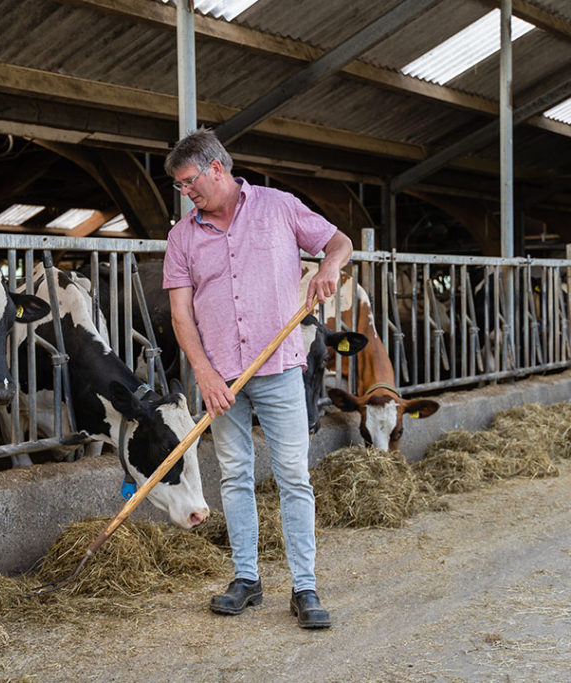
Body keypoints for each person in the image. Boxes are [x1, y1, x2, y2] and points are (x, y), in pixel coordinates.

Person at [162, 128, 352, 629]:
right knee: (234, 475)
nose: (187, 193)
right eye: (181, 186)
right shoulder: (182, 237)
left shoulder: (278, 207)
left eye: (189, 182)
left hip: (281, 368)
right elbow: (182, 316)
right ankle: (246, 577)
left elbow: (339, 241)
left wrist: (327, 267)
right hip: (220, 380)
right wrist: (203, 374)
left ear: (216, 168)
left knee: (293, 475)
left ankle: (305, 587)